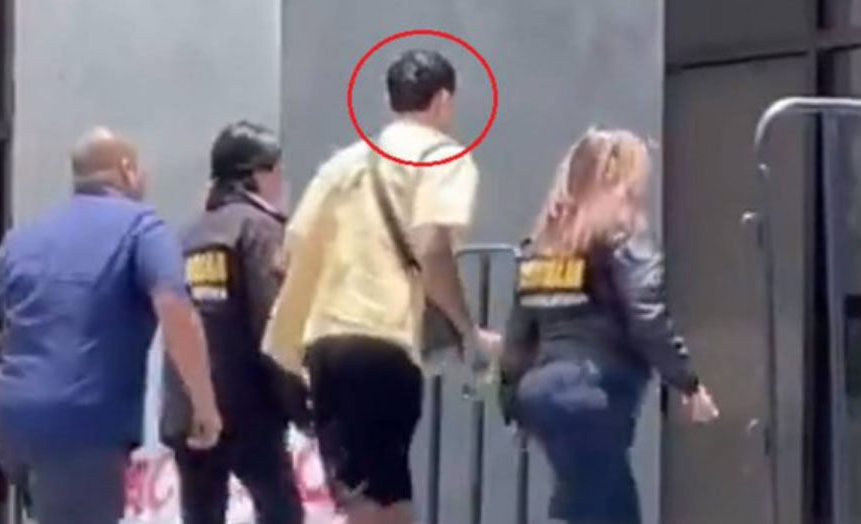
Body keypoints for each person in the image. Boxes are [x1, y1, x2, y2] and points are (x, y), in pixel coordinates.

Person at [262, 49, 500, 524]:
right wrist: (467, 330)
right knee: (382, 501)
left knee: (367, 497)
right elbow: (432, 249)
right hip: (381, 341)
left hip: (323, 344)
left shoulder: (342, 165)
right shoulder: (440, 156)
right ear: (443, 100)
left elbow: (285, 256)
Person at [0, 127, 223, 524]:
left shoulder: (22, 238)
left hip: (13, 427)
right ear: (127, 170)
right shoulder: (142, 228)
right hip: (83, 425)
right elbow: (175, 309)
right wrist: (204, 404)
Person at [498, 128, 719, 524]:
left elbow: (518, 334)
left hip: (540, 391)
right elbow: (646, 315)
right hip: (595, 390)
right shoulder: (624, 238)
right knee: (596, 498)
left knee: (590, 495)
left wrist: (512, 401)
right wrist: (687, 382)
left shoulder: (541, 247)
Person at [160, 121, 304, 524]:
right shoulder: (259, 228)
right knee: (282, 513)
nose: (282, 180)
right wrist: (300, 403)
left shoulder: (188, 236)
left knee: (201, 515)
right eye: (276, 170)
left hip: (188, 408)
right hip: (248, 408)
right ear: (255, 175)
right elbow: (275, 322)